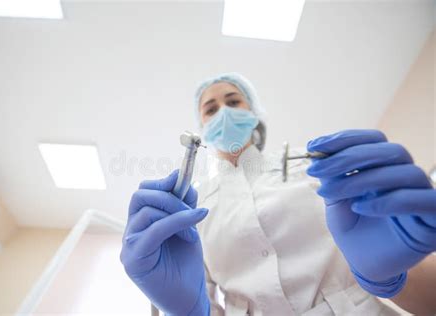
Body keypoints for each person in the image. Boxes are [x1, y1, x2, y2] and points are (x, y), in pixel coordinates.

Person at [120, 73, 436, 315]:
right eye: (210, 108)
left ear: (254, 112)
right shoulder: (192, 206)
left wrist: (392, 277)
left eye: (233, 102)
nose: (224, 113)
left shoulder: (311, 164)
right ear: (201, 126)